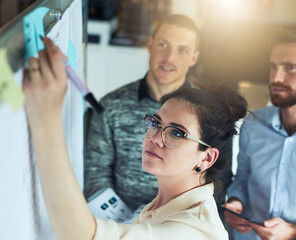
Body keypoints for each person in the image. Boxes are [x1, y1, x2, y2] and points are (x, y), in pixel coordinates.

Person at [23, 37, 248, 240]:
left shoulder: (195, 231)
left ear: (207, 158)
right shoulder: (163, 205)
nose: (156, 138)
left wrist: (46, 119)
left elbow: (85, 237)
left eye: (177, 133)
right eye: (156, 123)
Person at [84, 14, 233, 211]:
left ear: (194, 58)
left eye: (182, 50)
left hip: (179, 222)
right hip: (120, 223)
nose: (169, 58)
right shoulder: (110, 105)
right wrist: (129, 225)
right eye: (163, 45)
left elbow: (217, 181)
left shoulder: (210, 115)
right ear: (150, 45)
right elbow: (96, 173)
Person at [224, 25, 296, 240]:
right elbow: (242, 179)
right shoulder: (253, 124)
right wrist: (236, 202)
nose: (276, 77)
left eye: (291, 67)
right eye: (273, 66)